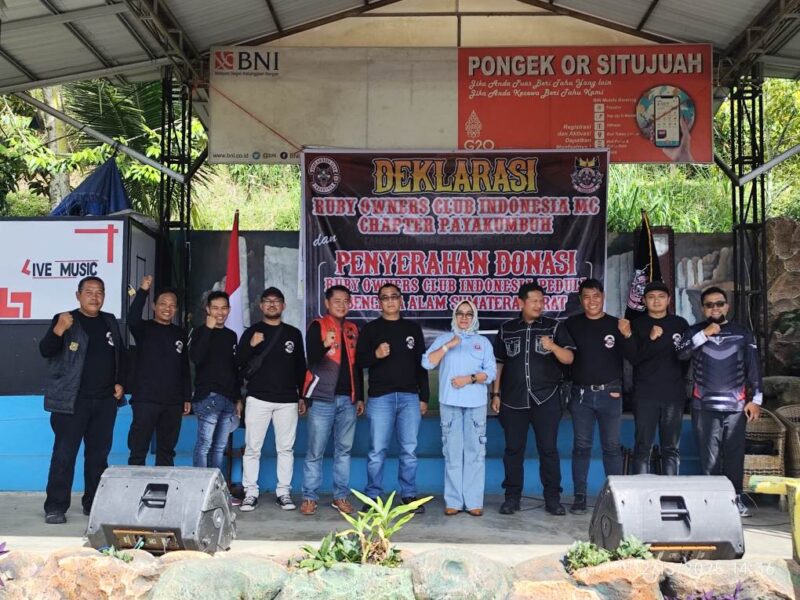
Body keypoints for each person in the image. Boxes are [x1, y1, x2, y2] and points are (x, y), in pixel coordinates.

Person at [39, 276, 125, 524]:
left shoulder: (109, 321)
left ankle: (93, 503)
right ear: (78, 295)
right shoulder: (65, 319)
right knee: (64, 455)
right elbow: (46, 350)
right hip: (72, 402)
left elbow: (120, 355)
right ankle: (55, 507)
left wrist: (120, 382)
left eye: (100, 292)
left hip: (104, 401)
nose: (94, 297)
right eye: (89, 292)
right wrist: (58, 329)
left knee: (98, 457)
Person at [677, 286, 762, 517]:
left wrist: (756, 399)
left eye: (719, 303)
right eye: (709, 305)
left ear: (727, 306)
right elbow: (681, 354)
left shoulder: (742, 333)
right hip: (703, 405)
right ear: (702, 308)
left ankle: (736, 499)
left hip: (736, 406)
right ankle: (712, 501)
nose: (715, 308)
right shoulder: (694, 331)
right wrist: (705, 334)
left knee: (735, 455)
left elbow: (753, 366)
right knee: (709, 458)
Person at [491, 282, 573, 516]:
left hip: (546, 399)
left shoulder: (554, 327)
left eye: (541, 301)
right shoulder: (507, 329)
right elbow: (499, 364)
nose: (539, 305)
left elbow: (569, 358)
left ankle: (553, 499)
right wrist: (495, 394)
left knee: (548, 450)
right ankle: (512, 498)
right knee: (513, 450)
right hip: (512, 400)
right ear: (521, 302)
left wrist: (553, 346)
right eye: (534, 301)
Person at [356, 283, 430, 513]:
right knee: (377, 451)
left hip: (409, 397)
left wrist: (424, 397)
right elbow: (359, 362)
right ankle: (373, 497)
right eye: (385, 297)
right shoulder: (371, 329)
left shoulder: (412, 328)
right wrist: (376, 355)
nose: (390, 301)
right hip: (381, 398)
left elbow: (422, 365)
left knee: (409, 450)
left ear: (401, 300)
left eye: (394, 296)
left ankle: (408, 496)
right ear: (379, 302)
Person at [423, 300, 496, 516]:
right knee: (452, 453)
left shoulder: (483, 342)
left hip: (476, 404)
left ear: (474, 317)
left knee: (475, 453)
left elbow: (491, 373)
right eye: (460, 314)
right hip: (450, 403)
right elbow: (427, 363)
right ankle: (453, 501)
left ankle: (473, 502)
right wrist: (448, 345)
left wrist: (469, 379)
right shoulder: (444, 339)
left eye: (469, 314)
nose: (464, 318)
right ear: (454, 316)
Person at [237, 287, 306, 512]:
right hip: (258, 398)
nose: (272, 304)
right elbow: (238, 362)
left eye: (276, 301)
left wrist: (302, 396)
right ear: (261, 306)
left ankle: (283, 492)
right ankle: (250, 493)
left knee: (285, 449)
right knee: (252, 449)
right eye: (267, 301)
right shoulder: (252, 332)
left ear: (283, 306)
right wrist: (251, 345)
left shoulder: (293, 333)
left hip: (287, 399)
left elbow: (300, 367)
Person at [562, 278, 625, 515]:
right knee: (581, 446)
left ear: (603, 297)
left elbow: (632, 356)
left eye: (596, 296)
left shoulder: (616, 324)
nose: (592, 301)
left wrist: (628, 335)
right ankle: (580, 496)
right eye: (586, 297)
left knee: (611, 447)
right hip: (581, 395)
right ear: (580, 300)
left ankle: (616, 498)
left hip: (611, 393)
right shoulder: (571, 324)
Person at [300, 285, 364, 515]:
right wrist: (325, 344)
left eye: (346, 301)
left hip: (348, 399)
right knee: (315, 451)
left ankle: (341, 496)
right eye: (337, 300)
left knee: (344, 451)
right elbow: (311, 359)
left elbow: (357, 366)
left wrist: (360, 397)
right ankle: (309, 497)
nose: (341, 304)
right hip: (322, 398)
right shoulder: (317, 325)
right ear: (327, 303)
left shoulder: (352, 328)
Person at [619, 281, 689, 475]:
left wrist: (678, 380)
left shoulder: (680, 324)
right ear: (644, 300)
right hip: (645, 394)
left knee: (671, 448)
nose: (656, 301)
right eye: (651, 297)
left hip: (673, 394)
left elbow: (686, 358)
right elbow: (634, 358)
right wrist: (650, 339)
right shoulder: (637, 325)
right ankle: (643, 490)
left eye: (661, 297)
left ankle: (670, 489)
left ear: (669, 299)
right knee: (643, 446)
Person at [127, 275, 191, 466]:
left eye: (172, 305)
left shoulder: (180, 333)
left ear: (176, 309)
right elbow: (132, 318)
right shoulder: (143, 329)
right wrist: (143, 291)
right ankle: (135, 484)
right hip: (145, 399)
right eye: (163, 304)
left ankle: (164, 484)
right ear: (154, 306)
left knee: (167, 451)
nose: (167, 308)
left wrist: (186, 397)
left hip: (172, 402)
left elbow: (184, 367)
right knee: (138, 449)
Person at [189, 290, 242, 471]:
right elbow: (196, 358)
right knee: (204, 445)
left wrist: (238, 398)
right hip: (208, 397)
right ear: (208, 309)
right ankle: (200, 485)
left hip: (228, 398)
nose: (220, 312)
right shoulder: (200, 332)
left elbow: (233, 369)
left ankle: (214, 485)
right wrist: (208, 329)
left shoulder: (231, 335)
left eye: (224, 308)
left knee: (219, 448)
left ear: (229, 310)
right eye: (215, 308)